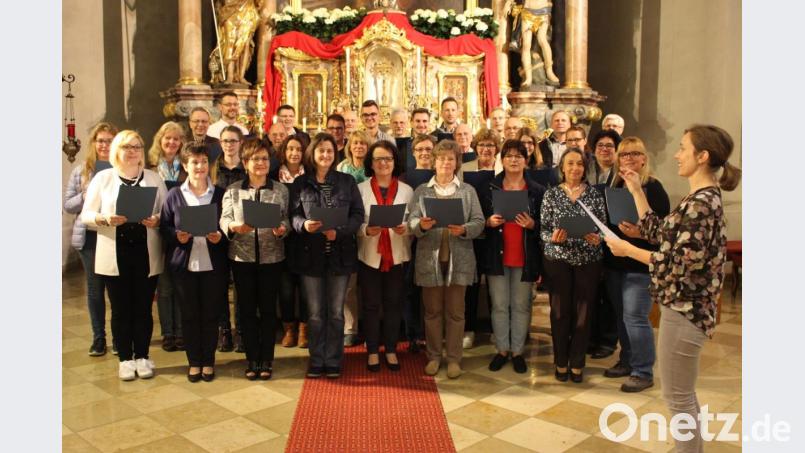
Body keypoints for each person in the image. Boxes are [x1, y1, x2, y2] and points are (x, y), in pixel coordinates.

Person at [605, 125, 741, 452]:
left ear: (702, 156)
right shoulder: (698, 199)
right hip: (680, 309)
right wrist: (636, 190)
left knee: (678, 398)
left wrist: (629, 250)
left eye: (683, 148)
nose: (678, 155)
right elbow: (659, 231)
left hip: (686, 311)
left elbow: (679, 262)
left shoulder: (701, 204)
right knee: (681, 396)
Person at [80, 130, 167, 381]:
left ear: (142, 151)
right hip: (115, 253)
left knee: (143, 308)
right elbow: (86, 215)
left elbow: (166, 211)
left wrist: (156, 219)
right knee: (120, 309)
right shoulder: (103, 178)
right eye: (127, 147)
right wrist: (104, 218)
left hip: (145, 252)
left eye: (137, 147)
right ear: (117, 150)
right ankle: (125, 359)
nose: (132, 151)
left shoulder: (153, 178)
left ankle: (142, 356)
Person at [407, 140, 485, 379]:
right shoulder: (422, 190)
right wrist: (421, 224)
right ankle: (433, 356)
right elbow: (411, 221)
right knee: (432, 312)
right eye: (441, 158)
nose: (445, 163)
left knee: (455, 312)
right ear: (434, 161)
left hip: (458, 258)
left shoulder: (467, 191)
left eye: (450, 159)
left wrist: (464, 229)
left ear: (456, 162)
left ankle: (453, 359)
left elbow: (479, 222)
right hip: (429, 258)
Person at [290, 133, 365, 379]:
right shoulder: (300, 183)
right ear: (313, 153)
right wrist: (304, 225)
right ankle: (316, 358)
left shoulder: (346, 182)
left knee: (334, 312)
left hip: (340, 255)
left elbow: (357, 216)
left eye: (330, 151)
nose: (325, 155)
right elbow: (293, 215)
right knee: (314, 313)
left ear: (335, 154)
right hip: (310, 256)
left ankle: (333, 359)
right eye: (321, 150)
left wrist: (339, 232)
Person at [602, 137, 670, 392]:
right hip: (616, 262)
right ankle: (627, 360)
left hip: (640, 263)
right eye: (623, 155)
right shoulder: (615, 185)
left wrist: (638, 235)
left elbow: (664, 230)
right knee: (622, 316)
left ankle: (643, 371)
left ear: (644, 159)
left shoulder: (653, 187)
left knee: (636, 317)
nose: (628, 158)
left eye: (634, 154)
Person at [220, 138, 290, 380]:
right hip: (242, 258)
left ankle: (267, 359)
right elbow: (224, 218)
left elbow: (287, 219)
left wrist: (282, 228)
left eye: (264, 158)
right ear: (245, 162)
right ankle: (252, 358)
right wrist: (233, 226)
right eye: (255, 159)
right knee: (247, 310)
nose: (260, 163)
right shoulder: (234, 190)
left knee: (269, 311)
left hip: (272, 258)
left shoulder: (280, 190)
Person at [160, 144, 229, 382]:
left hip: (213, 264)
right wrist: (175, 235)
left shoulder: (220, 194)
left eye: (203, 162)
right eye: (194, 162)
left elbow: (228, 224)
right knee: (189, 315)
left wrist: (220, 235)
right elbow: (164, 226)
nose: (199, 167)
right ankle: (194, 362)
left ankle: (208, 361)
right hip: (184, 265)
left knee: (210, 314)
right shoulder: (174, 195)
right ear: (186, 166)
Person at [540, 148, 606, 383]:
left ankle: (577, 362)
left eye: (579, 164)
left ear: (585, 168)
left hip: (588, 260)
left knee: (583, 313)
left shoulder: (595, 196)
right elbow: (544, 229)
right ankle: (560, 361)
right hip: (558, 259)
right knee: (560, 312)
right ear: (562, 167)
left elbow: (602, 228)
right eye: (570, 163)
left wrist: (597, 237)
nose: (575, 168)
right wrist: (552, 237)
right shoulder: (551, 195)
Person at [482, 140, 545, 373]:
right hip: (497, 254)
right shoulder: (490, 187)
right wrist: (489, 222)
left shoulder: (537, 190)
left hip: (524, 255)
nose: (514, 160)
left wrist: (533, 224)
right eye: (508, 155)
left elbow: (546, 226)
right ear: (502, 160)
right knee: (499, 305)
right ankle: (502, 349)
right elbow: (479, 220)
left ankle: (518, 351)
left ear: (526, 160)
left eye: (519, 156)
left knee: (521, 305)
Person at [357, 141, 413, 371]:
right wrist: (365, 229)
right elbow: (355, 220)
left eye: (388, 159)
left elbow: (415, 219)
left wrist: (406, 228)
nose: (383, 163)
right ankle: (372, 350)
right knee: (370, 305)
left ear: (395, 162)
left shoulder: (407, 190)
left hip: (397, 255)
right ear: (371, 163)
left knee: (393, 304)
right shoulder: (360, 189)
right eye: (378, 159)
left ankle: (390, 349)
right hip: (369, 255)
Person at [64, 121, 119, 356]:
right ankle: (99, 338)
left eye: (109, 141)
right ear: (94, 144)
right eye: (101, 141)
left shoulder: (121, 170)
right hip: (89, 238)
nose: (105, 145)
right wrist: (86, 194)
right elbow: (67, 205)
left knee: (116, 291)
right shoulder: (81, 170)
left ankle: (119, 337)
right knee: (95, 290)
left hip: (114, 236)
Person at [147, 121, 186, 353]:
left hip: (181, 230)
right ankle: (168, 332)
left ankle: (181, 331)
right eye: (167, 138)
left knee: (180, 283)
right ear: (160, 141)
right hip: (156, 231)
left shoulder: (186, 168)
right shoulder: (150, 167)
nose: (172, 142)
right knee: (165, 286)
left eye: (176, 139)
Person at [276, 135, 309, 348]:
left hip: (306, 237)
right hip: (281, 239)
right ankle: (289, 328)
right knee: (286, 288)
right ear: (284, 152)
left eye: (298, 149)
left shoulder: (311, 177)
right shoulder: (274, 176)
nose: (294, 153)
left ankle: (304, 328)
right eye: (290, 149)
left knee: (306, 287)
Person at [509, 0, 560, 85]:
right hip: (527, 11)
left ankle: (549, 71)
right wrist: (508, 2)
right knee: (526, 45)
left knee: (542, 40)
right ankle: (529, 77)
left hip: (543, 10)